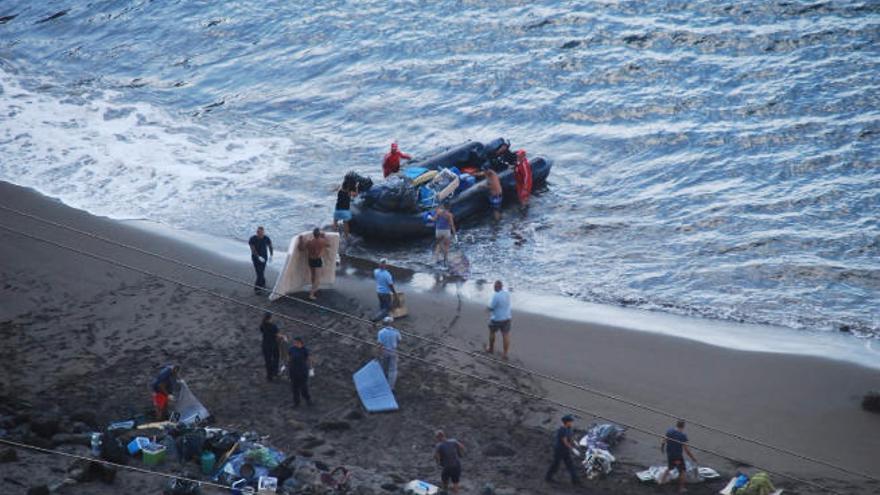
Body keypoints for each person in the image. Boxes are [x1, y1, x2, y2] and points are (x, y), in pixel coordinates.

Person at [659, 420, 697, 493]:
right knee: (682, 471)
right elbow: (686, 450)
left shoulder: (669, 431)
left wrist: (662, 448)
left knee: (670, 467)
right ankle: (681, 488)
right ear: (683, 426)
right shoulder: (683, 436)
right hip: (677, 456)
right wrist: (693, 458)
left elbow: (663, 441)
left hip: (669, 454)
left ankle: (661, 482)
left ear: (676, 424)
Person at [545, 414, 580, 486]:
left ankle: (575, 480)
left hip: (565, 450)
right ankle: (548, 477)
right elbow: (565, 441)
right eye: (570, 421)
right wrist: (573, 449)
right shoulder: (562, 430)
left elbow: (571, 437)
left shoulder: (569, 428)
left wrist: (575, 442)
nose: (571, 422)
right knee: (555, 465)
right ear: (566, 422)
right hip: (559, 450)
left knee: (570, 465)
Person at [298, 228, 329, 300]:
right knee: (317, 279)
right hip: (318, 260)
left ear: (313, 234)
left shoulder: (309, 242)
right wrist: (324, 236)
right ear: (319, 234)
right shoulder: (322, 241)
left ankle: (313, 288)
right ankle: (311, 294)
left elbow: (301, 248)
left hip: (310, 259)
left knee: (313, 275)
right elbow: (328, 244)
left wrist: (300, 240)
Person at [484, 280, 512, 359]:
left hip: (497, 319)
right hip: (507, 318)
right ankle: (505, 354)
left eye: (494, 286)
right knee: (505, 335)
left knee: (492, 332)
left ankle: (491, 349)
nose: (493, 288)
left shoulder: (496, 296)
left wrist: (486, 309)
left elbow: (491, 308)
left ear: (496, 287)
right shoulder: (507, 294)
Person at [376, 316, 401, 389]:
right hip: (393, 351)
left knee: (383, 366)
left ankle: (381, 382)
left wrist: (378, 354)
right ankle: (391, 387)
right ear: (392, 323)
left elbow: (379, 344)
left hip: (384, 351)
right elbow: (399, 340)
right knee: (392, 369)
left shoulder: (380, 332)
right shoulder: (396, 331)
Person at [288, 336, 313, 407]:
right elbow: (289, 358)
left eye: (296, 343)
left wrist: (311, 369)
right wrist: (286, 365)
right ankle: (296, 402)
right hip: (293, 371)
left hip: (302, 371)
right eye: (294, 342)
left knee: (303, 388)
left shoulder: (305, 350)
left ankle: (308, 399)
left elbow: (310, 359)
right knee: (294, 388)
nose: (295, 344)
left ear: (300, 343)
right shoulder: (292, 349)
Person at [248, 226, 274, 294]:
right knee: (259, 273)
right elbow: (253, 249)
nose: (260, 234)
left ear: (263, 232)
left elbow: (270, 246)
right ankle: (258, 288)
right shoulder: (252, 239)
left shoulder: (266, 238)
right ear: (257, 232)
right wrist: (258, 257)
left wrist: (271, 255)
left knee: (261, 272)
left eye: (261, 233)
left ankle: (261, 285)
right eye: (258, 232)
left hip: (264, 257)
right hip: (255, 258)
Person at [259, 312, 282, 381]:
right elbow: (278, 335)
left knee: (268, 361)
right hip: (273, 345)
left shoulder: (262, 325)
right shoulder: (273, 326)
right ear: (269, 319)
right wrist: (283, 337)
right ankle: (275, 372)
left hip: (265, 345)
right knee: (276, 358)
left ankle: (269, 376)